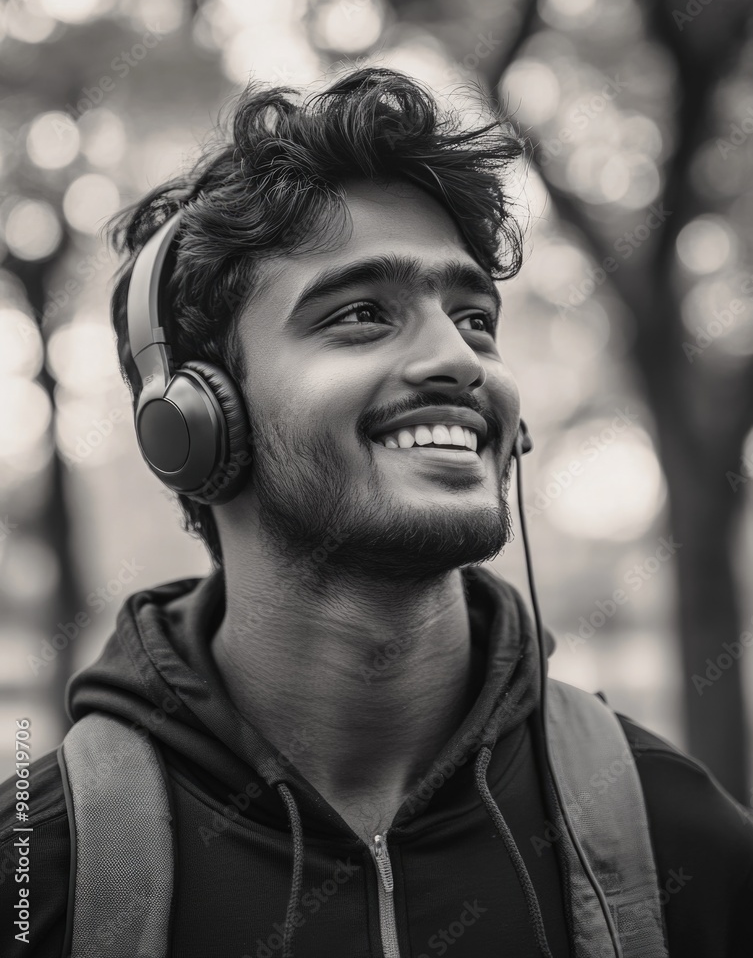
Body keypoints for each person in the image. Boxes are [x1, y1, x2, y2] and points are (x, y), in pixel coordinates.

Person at [1, 68, 751, 958]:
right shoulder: (44, 870)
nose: (461, 362)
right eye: (361, 314)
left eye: (473, 318)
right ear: (194, 421)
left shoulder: (675, 838)